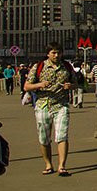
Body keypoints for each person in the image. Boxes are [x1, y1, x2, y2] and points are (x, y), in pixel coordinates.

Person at [23, 42, 75, 176]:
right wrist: (39, 85)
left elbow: (77, 83)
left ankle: (62, 166)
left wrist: (70, 86)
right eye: (53, 53)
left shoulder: (67, 67)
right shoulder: (39, 67)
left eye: (58, 52)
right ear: (48, 54)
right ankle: (48, 164)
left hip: (61, 104)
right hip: (43, 105)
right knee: (44, 137)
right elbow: (26, 86)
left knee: (62, 135)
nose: (56, 55)